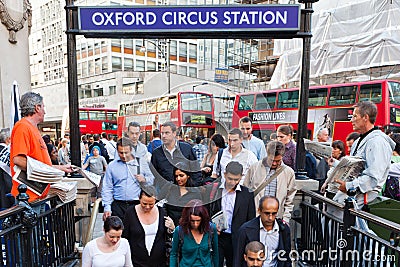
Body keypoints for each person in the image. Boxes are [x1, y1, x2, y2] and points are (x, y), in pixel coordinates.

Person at [10, 92, 72, 201]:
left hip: (38, 194)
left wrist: (61, 168)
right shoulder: (22, 127)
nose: (45, 111)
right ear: (37, 108)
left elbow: (40, 165)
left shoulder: (31, 128)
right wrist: (47, 173)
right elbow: (18, 160)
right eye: (43, 107)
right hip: (29, 197)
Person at [334, 101, 395, 208]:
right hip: (354, 195)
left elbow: (373, 177)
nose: (351, 120)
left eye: (355, 116)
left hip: (364, 196)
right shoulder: (359, 140)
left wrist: (349, 186)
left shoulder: (378, 142)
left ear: (365, 117)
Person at [207, 161, 256, 267]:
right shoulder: (214, 190)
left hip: (237, 239)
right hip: (218, 237)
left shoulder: (247, 194)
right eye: (230, 179)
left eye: (236, 179)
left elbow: (251, 220)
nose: (233, 182)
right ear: (224, 174)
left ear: (241, 177)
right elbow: (207, 213)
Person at [102, 137, 154, 221]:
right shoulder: (112, 166)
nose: (124, 156)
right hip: (118, 204)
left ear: (131, 150)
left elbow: (152, 180)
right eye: (121, 153)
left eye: (126, 152)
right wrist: (107, 207)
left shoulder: (141, 163)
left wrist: (144, 179)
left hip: (136, 204)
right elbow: (107, 187)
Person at [244, 141, 296, 223]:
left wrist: (285, 219)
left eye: (278, 160)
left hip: (277, 218)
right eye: (272, 160)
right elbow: (245, 191)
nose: (274, 163)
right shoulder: (254, 168)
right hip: (255, 216)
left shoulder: (289, 172)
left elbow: (289, 200)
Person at [122, 186, 175, 267]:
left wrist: (171, 228)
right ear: (139, 199)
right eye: (144, 203)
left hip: (159, 261)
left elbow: (167, 235)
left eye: (151, 204)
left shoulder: (162, 212)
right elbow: (124, 237)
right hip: (136, 261)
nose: (147, 207)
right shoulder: (130, 213)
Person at [234, 196, 291, 267]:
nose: (270, 218)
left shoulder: (283, 229)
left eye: (274, 214)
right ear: (259, 211)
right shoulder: (245, 230)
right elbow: (238, 259)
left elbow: (287, 258)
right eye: (267, 213)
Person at [151, 121, 202, 191]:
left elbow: (196, 172)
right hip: (166, 195)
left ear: (174, 133)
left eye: (167, 133)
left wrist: (193, 189)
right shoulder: (157, 153)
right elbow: (154, 176)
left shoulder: (187, 149)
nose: (163, 136)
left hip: (186, 194)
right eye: (162, 133)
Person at [169, 199, 218, 267]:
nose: (195, 224)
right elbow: (173, 254)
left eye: (198, 221)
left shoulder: (211, 229)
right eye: (192, 221)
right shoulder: (180, 231)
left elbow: (215, 254)